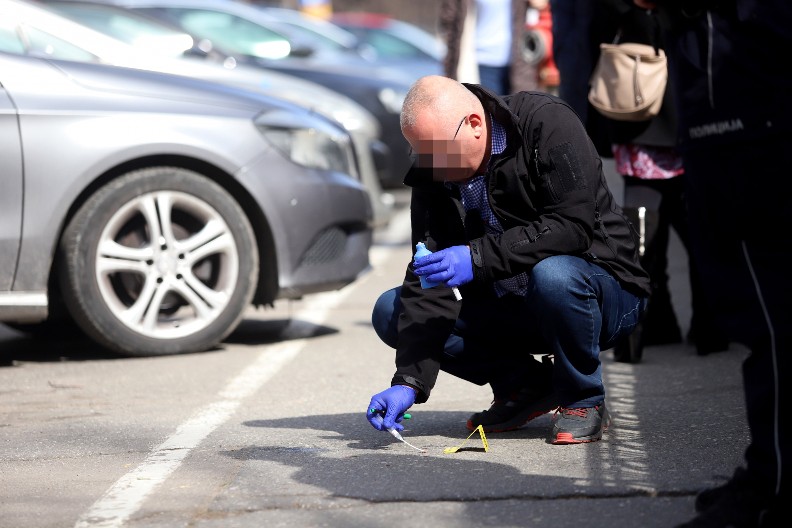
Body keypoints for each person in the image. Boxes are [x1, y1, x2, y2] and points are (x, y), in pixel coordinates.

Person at [365, 75, 651, 444]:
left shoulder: (546, 122)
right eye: (423, 154)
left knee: (554, 275)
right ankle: (526, 386)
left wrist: (478, 257)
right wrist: (408, 380)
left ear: (474, 124)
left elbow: (572, 227)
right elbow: (428, 279)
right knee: (391, 310)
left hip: (602, 294)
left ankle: (583, 398)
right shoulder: (433, 172)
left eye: (438, 151)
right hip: (515, 304)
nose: (432, 166)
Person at [651, 0, 791, 525]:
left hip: (752, 116)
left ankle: (774, 483)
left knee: (770, 318)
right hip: (725, 111)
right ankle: (768, 472)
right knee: (758, 313)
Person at [594, 1, 728, 362]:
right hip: (656, 107)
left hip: (667, 106)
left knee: (661, 236)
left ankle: (684, 328)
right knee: (651, 237)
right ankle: (659, 328)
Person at [439, 0, 540, 94]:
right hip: (481, 63)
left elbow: (540, 7)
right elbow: (449, 23)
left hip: (520, 64)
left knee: (517, 110)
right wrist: (449, 70)